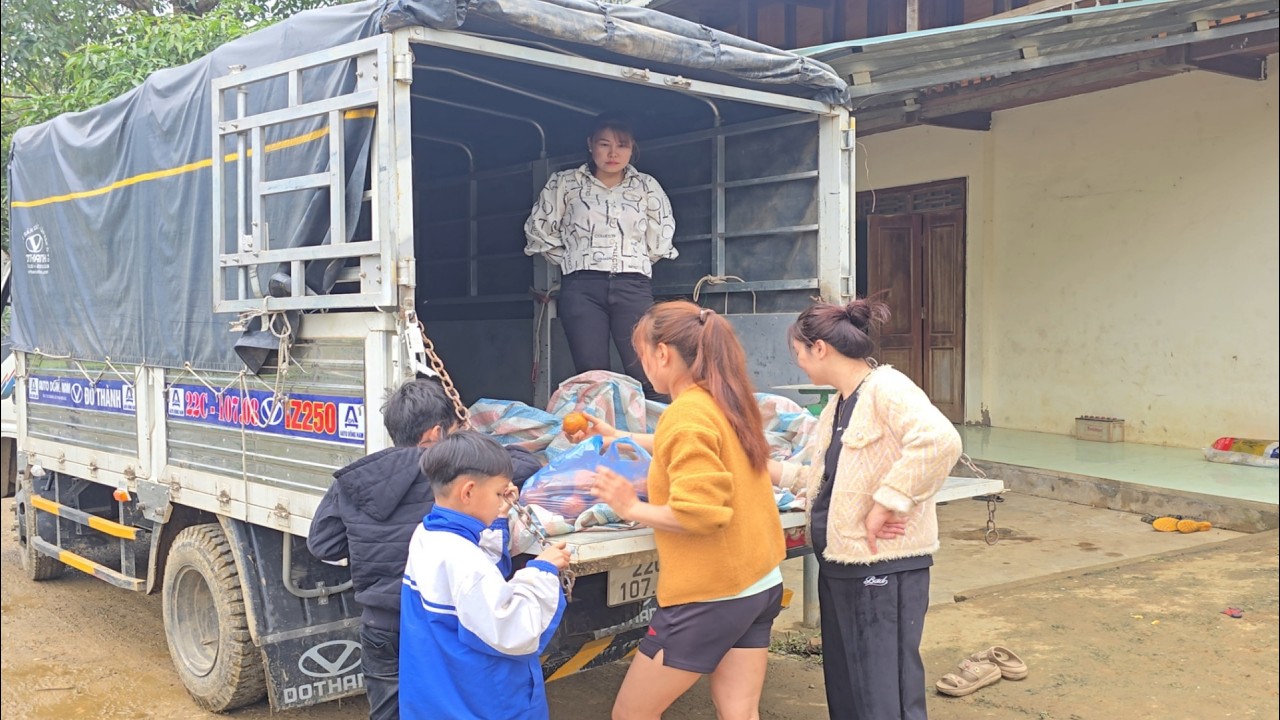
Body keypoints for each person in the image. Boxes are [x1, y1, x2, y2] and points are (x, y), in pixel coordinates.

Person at [588, 300, 785, 720]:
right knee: (739, 712)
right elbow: (685, 443)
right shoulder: (723, 400)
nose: (643, 365)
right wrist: (618, 436)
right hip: (759, 582)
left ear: (662, 353)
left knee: (631, 715)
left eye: (642, 354)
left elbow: (702, 514)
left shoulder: (686, 414)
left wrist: (630, 506)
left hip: (711, 595)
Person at [770, 297, 963, 720]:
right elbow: (830, 479)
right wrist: (769, 470)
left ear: (819, 348)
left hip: (883, 566)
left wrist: (888, 501)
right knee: (849, 687)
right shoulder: (839, 404)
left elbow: (940, 441)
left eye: (799, 353)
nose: (799, 363)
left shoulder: (886, 387)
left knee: (883, 692)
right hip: (842, 563)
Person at [306, 379, 540, 720]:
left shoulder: (356, 478)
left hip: (381, 623)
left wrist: (368, 540)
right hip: (438, 622)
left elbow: (322, 544)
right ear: (436, 433)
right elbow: (525, 463)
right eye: (456, 431)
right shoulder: (452, 475)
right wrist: (471, 440)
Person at [399, 431, 570, 720]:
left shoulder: (426, 534)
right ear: (468, 492)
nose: (503, 499)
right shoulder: (464, 558)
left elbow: (474, 582)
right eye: (498, 493)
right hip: (480, 703)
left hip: (438, 698)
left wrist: (497, 516)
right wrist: (542, 571)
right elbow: (512, 630)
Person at [523, 113, 677, 401]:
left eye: (622, 145)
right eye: (604, 144)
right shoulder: (565, 184)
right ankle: (602, 429)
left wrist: (632, 261)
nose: (613, 153)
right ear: (590, 144)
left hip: (633, 286)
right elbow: (538, 230)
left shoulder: (646, 186)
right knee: (592, 376)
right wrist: (573, 259)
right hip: (582, 288)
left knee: (648, 370)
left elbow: (661, 237)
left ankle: (661, 429)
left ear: (632, 149)